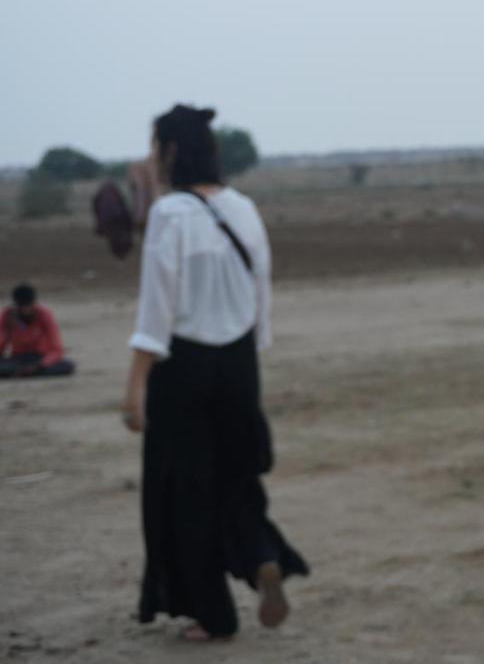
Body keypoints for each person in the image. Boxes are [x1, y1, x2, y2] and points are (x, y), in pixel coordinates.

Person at [122, 104, 308, 642]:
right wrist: (251, 349)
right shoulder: (244, 209)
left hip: (184, 367)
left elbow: (156, 309)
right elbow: (261, 292)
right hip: (239, 363)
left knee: (183, 492)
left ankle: (213, 614)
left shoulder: (170, 215)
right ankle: (261, 557)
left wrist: (134, 386)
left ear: (171, 152)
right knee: (235, 479)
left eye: (156, 148)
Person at [0, 283, 76, 378]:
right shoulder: (8, 315)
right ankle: (24, 373)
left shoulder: (44, 314)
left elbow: (57, 350)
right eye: (21, 306)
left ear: (33, 303)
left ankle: (24, 373)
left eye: (28, 305)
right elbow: (1, 346)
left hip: (40, 358)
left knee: (68, 366)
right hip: (18, 358)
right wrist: (8, 329)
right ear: (16, 305)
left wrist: (40, 365)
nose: (25, 309)